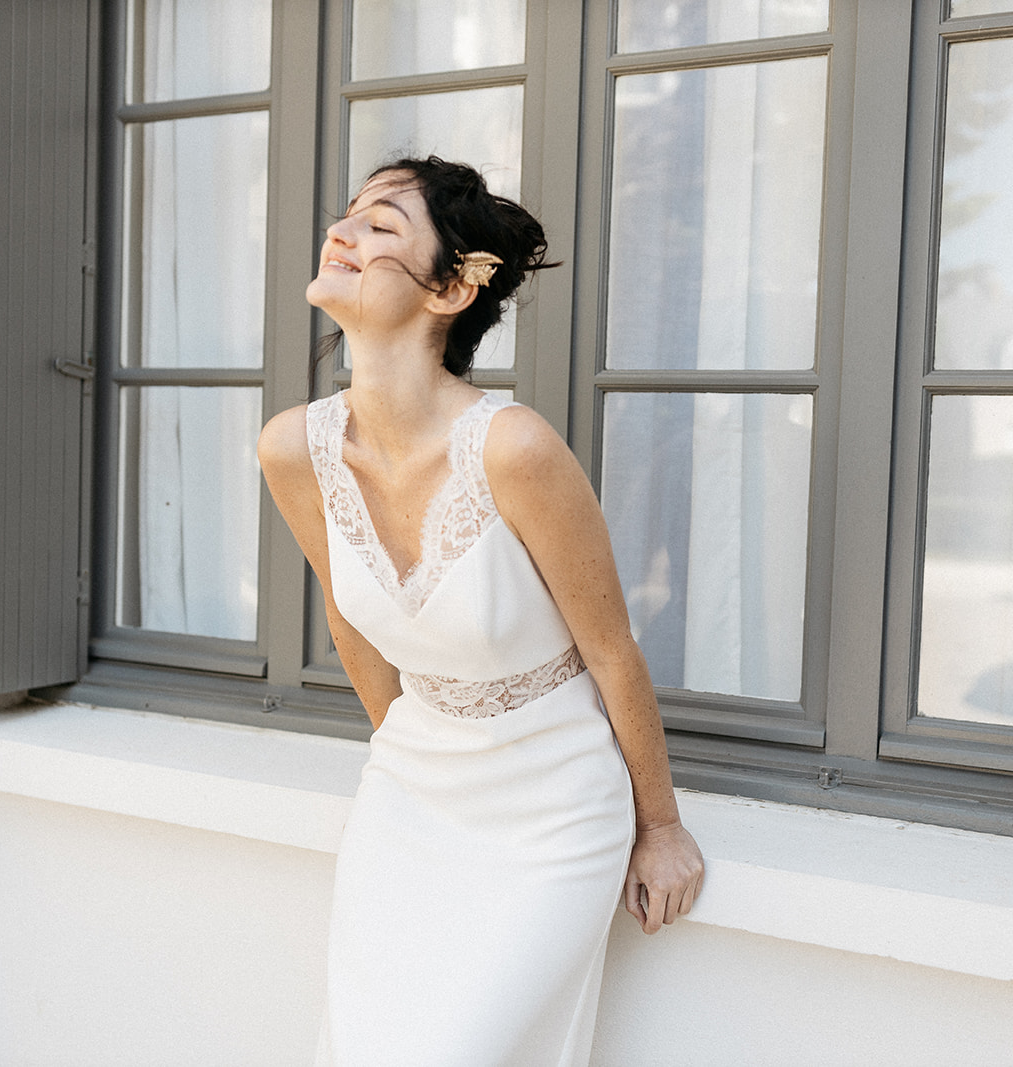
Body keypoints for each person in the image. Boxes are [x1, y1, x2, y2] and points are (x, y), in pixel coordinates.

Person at [258, 156, 705, 1067]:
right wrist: (412, 751)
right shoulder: (291, 449)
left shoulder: (514, 448)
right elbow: (352, 627)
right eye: (347, 216)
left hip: (552, 810)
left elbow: (613, 650)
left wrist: (659, 826)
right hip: (409, 802)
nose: (342, 233)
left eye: (382, 228)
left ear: (454, 286)